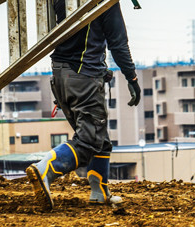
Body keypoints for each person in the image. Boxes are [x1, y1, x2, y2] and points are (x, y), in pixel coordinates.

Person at [26, 0, 141, 210]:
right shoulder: (105, 2)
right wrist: (132, 79)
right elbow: (118, 43)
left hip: (60, 74)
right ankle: (45, 170)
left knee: (100, 138)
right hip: (84, 75)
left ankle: (99, 191)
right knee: (88, 140)